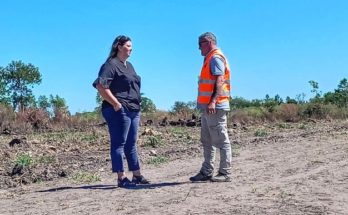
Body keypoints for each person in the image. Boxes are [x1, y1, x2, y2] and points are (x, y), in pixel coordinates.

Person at [93, 35, 149, 188]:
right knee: (119, 143)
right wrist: (116, 103)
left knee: (131, 143)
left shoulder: (129, 65)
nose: (130, 49)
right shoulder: (110, 65)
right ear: (119, 46)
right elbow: (101, 86)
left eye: (131, 47)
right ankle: (121, 177)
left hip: (134, 109)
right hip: (119, 109)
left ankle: (136, 174)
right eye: (128, 46)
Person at [190, 32, 232, 183]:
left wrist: (213, 101)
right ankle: (207, 171)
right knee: (207, 140)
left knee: (221, 139)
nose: (198, 48)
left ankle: (225, 172)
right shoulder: (209, 58)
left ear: (208, 42)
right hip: (208, 107)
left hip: (216, 106)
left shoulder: (215, 57)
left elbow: (220, 80)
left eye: (200, 44)